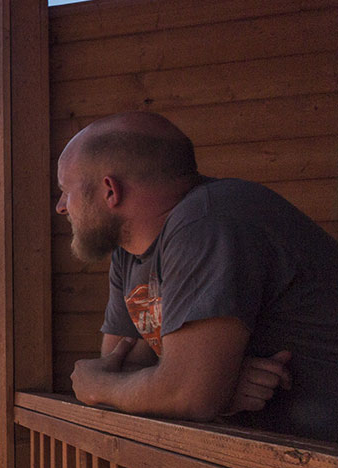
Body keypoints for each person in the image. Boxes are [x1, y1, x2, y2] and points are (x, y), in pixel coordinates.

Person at [56, 111, 338, 443]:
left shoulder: (208, 220)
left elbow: (182, 393)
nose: (61, 206)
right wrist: (216, 387)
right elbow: (120, 367)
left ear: (109, 191)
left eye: (66, 190)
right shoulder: (128, 255)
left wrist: (98, 387)